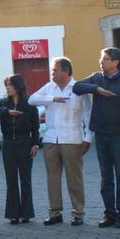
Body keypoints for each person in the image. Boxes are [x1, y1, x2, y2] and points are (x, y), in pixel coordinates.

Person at [74, 47, 120, 228]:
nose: (101, 62)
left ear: (115, 62)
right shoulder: (97, 78)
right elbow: (77, 87)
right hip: (101, 135)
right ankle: (109, 214)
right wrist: (97, 89)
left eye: (104, 59)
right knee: (106, 178)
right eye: (101, 59)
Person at [29, 57, 93, 226]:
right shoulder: (50, 88)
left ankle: (78, 212)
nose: (52, 73)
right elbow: (32, 99)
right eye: (52, 70)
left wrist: (88, 138)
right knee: (53, 178)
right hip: (51, 139)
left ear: (66, 71)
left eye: (55, 70)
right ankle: (55, 212)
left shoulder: (79, 89)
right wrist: (52, 99)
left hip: (72, 139)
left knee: (74, 178)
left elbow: (88, 115)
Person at [0, 74, 41, 224]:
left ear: (19, 86)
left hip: (25, 143)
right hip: (8, 144)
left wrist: (35, 144)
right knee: (11, 180)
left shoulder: (29, 104)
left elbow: (35, 126)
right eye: (6, 85)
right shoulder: (4, 103)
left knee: (26, 179)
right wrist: (6, 112)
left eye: (10, 84)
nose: (8, 88)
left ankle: (26, 213)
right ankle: (13, 213)